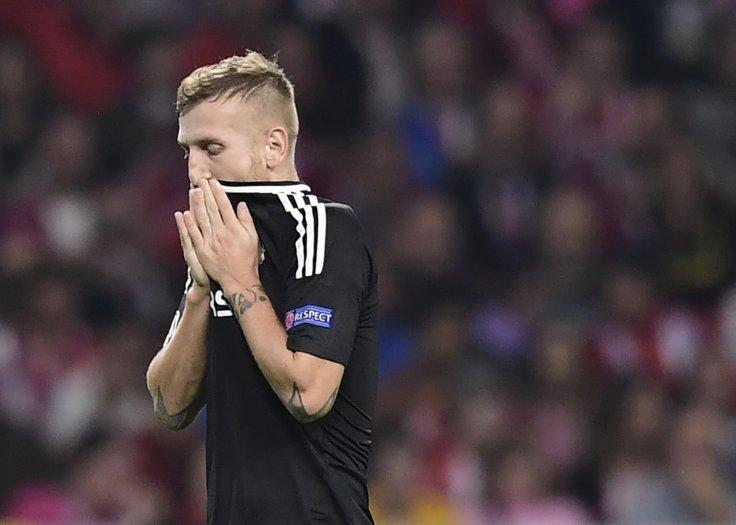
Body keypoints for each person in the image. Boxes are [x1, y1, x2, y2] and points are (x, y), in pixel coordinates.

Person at [145, 51, 379, 524]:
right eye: (187, 151)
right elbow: (169, 406)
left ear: (273, 146)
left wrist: (239, 281)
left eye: (211, 148)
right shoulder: (222, 242)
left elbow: (308, 394)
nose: (194, 171)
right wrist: (199, 290)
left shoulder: (324, 230)